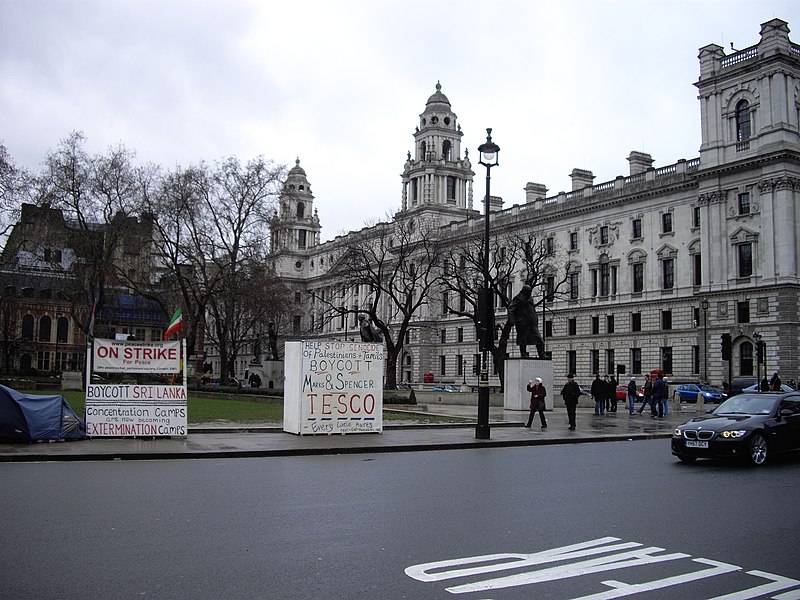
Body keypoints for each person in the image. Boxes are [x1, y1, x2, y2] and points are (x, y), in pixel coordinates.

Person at [507, 284, 545, 358]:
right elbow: (511, 309)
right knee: (523, 339)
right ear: (525, 291)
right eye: (529, 291)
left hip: (532, 323)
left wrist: (535, 319)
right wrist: (511, 320)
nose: (530, 293)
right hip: (522, 323)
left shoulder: (530, 298)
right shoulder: (518, 298)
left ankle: (541, 353)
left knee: (539, 339)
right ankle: (524, 354)